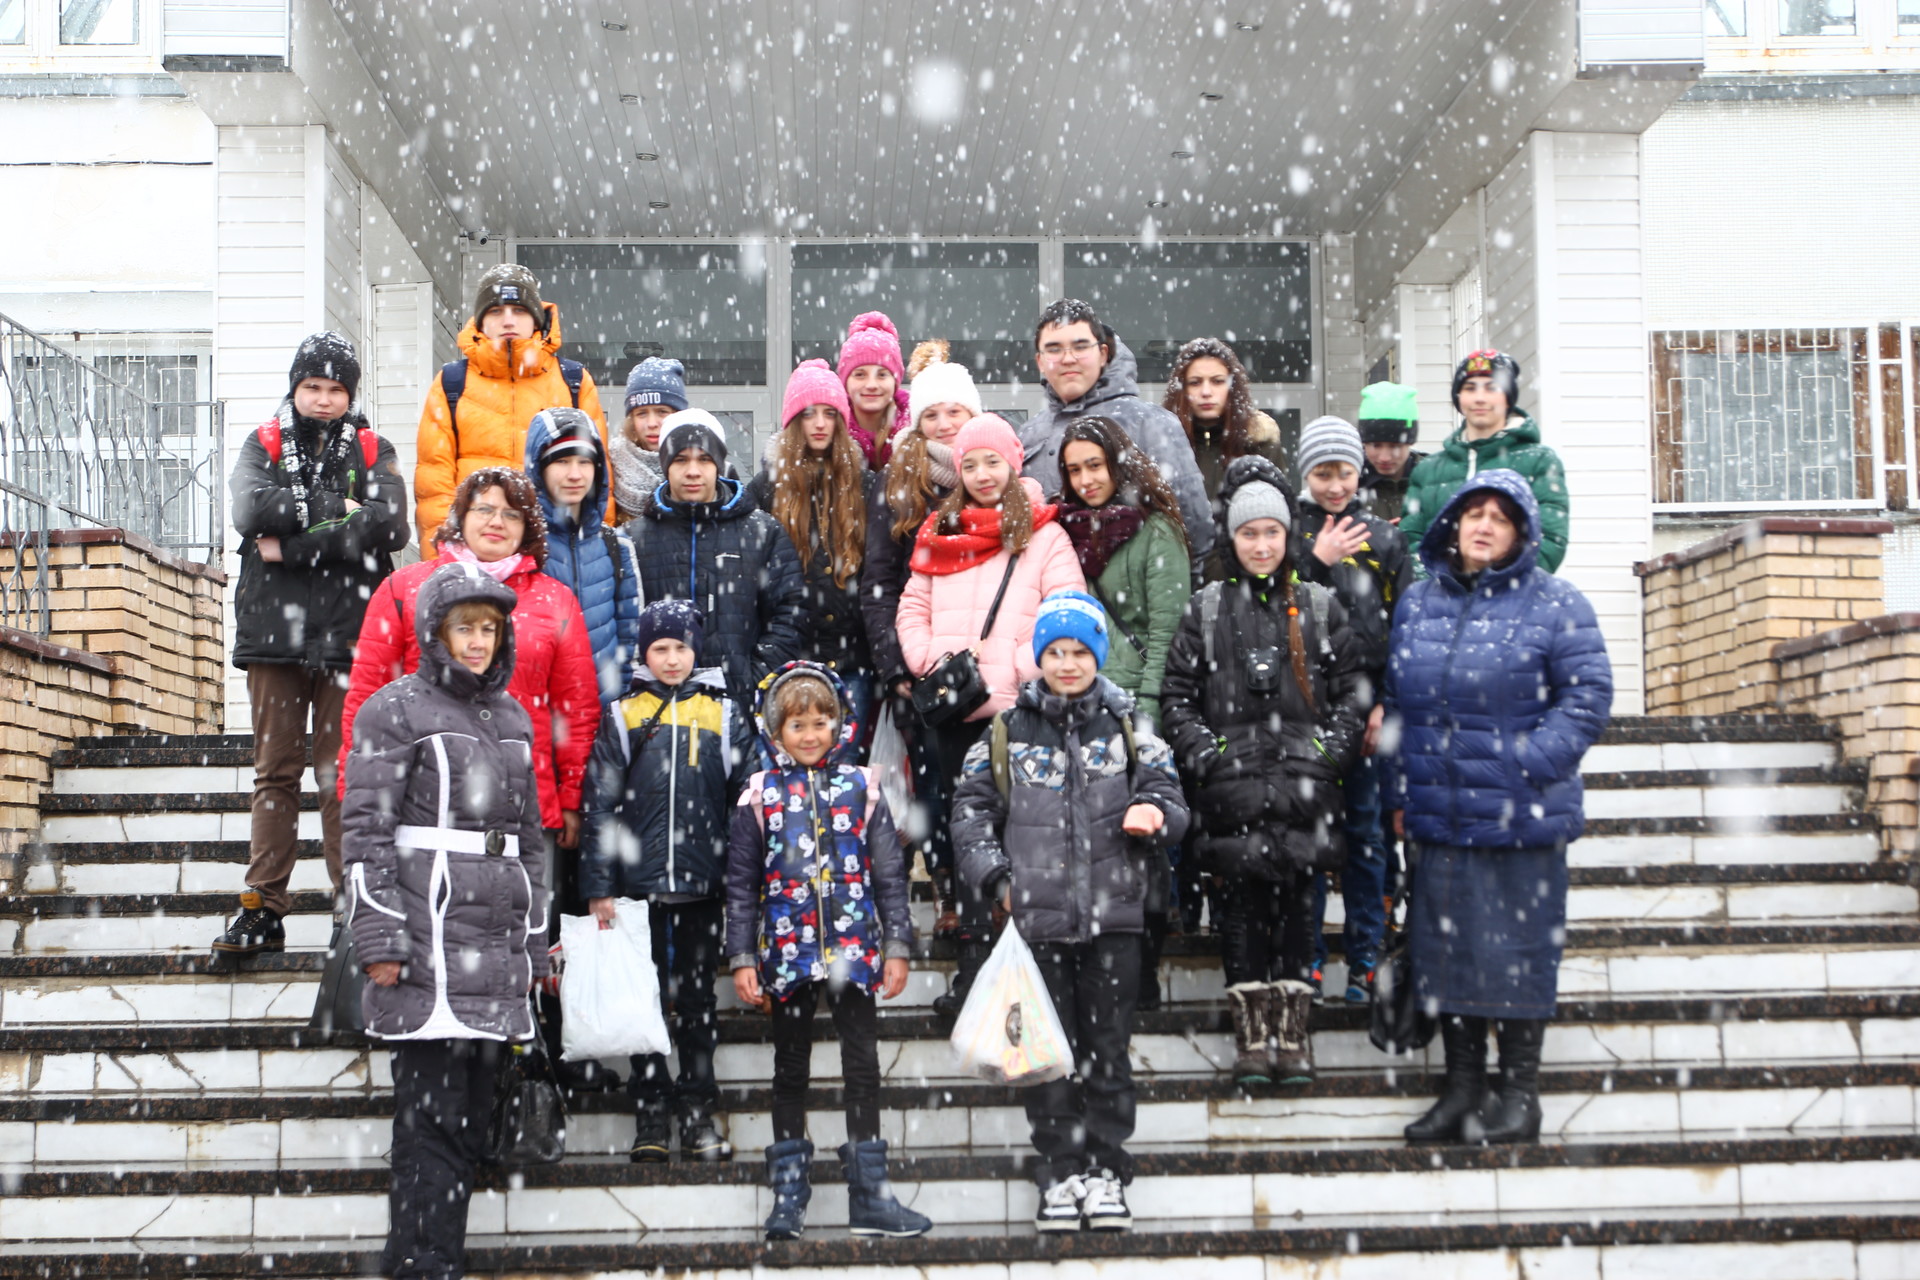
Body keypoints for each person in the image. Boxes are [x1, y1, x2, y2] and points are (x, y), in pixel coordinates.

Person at [337, 467, 602, 1085]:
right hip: (424, 814)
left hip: (517, 814)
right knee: (435, 991)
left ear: (526, 530)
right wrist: (358, 792)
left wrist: (567, 796)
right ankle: (442, 1122)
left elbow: (575, 705)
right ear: (459, 517)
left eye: (510, 515)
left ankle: (514, 1093)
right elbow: (368, 692)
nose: (495, 522)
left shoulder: (553, 600)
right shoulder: (407, 588)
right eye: (484, 509)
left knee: (511, 968)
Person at [951, 591, 1189, 1234]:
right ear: (1039, 658)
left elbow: (1170, 793)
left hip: (1115, 922)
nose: (1067, 663)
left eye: (1080, 651)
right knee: (1046, 1057)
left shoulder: (1131, 726)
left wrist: (1157, 815)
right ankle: (1059, 1171)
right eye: (1055, 652)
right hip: (1039, 925)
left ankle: (1108, 1170)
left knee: (1108, 1052)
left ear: (1098, 656)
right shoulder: (1006, 730)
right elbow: (970, 811)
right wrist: (998, 879)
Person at [1386, 469, 1612, 1146]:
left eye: (1500, 517)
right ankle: (1460, 1092)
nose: (1483, 526)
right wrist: (1402, 792)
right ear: (1452, 522)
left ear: (1522, 533)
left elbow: (1587, 697)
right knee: (1446, 956)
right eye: (1472, 513)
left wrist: (1528, 766)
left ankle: (1519, 1093)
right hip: (1441, 817)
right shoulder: (1419, 603)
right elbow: (1399, 703)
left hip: (1523, 821)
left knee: (1516, 955)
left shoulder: (1557, 603)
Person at [340, 562, 548, 1280]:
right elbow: (365, 831)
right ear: (434, 632)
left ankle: (426, 1262)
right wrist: (378, 937)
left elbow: (530, 843)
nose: (478, 641)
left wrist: (537, 948)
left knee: (472, 1124)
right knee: (429, 1126)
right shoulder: (392, 711)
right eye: (465, 626)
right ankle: (425, 1267)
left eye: (490, 628)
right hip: (423, 946)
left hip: (494, 952)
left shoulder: (516, 717)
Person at [1159, 458, 1366, 1087]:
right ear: (1233, 539)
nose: (1261, 545)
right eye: (1250, 534)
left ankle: (1295, 1035)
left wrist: (1327, 753)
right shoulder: (1208, 608)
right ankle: (1253, 1038)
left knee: (1302, 913)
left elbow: (1353, 693)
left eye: (1272, 533)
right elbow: (1177, 697)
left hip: (1306, 789)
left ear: (1288, 537)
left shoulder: (1320, 606)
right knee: (1243, 915)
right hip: (1233, 792)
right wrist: (1212, 757)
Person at [215, 333, 410, 958]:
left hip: (350, 635)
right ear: (296, 388)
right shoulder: (263, 442)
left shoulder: (376, 449)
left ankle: (349, 908)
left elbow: (390, 526)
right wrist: (339, 511)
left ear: (351, 394)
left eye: (336, 390)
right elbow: (250, 511)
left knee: (339, 775)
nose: (324, 400)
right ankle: (263, 907)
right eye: (313, 388)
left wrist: (294, 537)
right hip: (275, 636)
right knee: (275, 774)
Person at [723, 662, 930, 1241]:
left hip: (854, 951)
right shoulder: (760, 795)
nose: (811, 735)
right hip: (786, 955)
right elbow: (740, 886)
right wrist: (742, 956)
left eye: (822, 722)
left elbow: (890, 875)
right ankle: (788, 1194)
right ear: (775, 731)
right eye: (797, 725)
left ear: (840, 724)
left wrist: (897, 944)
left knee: (861, 1067)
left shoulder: (862, 789)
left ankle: (871, 1194)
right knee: (790, 1070)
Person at [897, 414, 1085, 1020]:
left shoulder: (1043, 534)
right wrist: (935, 661)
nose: (981, 475)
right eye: (970, 463)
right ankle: (975, 975)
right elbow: (912, 607)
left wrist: (1013, 668)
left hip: (1019, 714)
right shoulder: (940, 528)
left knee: (1023, 845)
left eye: (992, 462)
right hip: (954, 715)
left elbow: (1065, 612)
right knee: (969, 842)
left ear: (1014, 465)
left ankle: (1028, 978)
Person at [579, 599, 756, 1163]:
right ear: (644, 653)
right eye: (661, 648)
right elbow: (601, 805)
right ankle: (651, 1107)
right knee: (643, 1000)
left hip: (703, 885)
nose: (672, 658)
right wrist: (600, 885)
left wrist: (739, 877)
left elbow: (746, 800)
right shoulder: (623, 715)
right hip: (639, 888)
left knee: (699, 999)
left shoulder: (724, 714)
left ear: (696, 649)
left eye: (681, 646)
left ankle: (698, 1107)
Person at [1055, 415, 1194, 1009]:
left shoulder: (1155, 531)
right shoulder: (1062, 531)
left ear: (1119, 464)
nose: (1087, 480)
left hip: (1136, 704)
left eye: (1095, 465)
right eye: (1074, 469)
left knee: (1144, 842)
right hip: (1078, 703)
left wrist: (1151, 713)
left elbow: (1167, 633)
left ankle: (1144, 972)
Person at [1291, 417, 1412, 1004]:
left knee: (1366, 840)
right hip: (1306, 712)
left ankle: (1366, 956)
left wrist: (1383, 703)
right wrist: (1316, 559)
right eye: (1322, 474)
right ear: (1305, 475)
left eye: (1343, 472)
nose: (1334, 485)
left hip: (1364, 714)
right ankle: (1311, 956)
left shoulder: (1385, 540)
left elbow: (1399, 630)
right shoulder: (1289, 533)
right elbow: (1278, 608)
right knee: (1313, 841)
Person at [861, 341, 981, 938]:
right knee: (931, 783)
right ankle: (947, 891)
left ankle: (985, 889)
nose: (942, 424)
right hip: (922, 663)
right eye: (931, 414)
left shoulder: (992, 477)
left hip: (986, 665)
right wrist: (896, 667)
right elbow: (879, 582)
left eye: (954, 412)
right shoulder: (897, 485)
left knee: (981, 781)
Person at [414, 263, 606, 550]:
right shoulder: (452, 382)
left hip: (554, 553)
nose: (507, 321)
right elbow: (434, 485)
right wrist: (441, 559)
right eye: (496, 311)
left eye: (519, 310)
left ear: (535, 319)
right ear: (481, 321)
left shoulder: (574, 381)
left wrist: (594, 550)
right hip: (475, 553)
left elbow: (600, 479)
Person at [1017, 299, 1214, 572]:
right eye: (1054, 349)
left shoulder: (1151, 423)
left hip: (1133, 606)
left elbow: (1193, 526)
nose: (1068, 358)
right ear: (1040, 361)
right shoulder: (1027, 435)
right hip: (1047, 603)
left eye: (1080, 346)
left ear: (1103, 353)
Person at [624, 409, 806, 703]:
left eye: (704, 459)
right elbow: (624, 627)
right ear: (666, 466)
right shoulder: (634, 539)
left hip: (740, 708)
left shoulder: (763, 531)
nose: (692, 471)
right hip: (659, 713)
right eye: (681, 460)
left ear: (719, 465)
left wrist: (754, 680)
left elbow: (790, 613)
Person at [751, 360, 881, 745]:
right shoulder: (766, 488)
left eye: (830, 413)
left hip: (852, 660)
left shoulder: (865, 483)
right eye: (809, 414)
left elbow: (878, 573)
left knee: (844, 776)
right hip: (788, 657)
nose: (821, 423)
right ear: (795, 421)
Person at [1399, 351, 1570, 574]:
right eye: (1470, 388)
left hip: (1513, 602)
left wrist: (1500, 587)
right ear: (1459, 397)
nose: (1480, 398)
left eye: (1491, 388)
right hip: (1441, 602)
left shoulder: (1540, 461)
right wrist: (1440, 587)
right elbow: (1410, 539)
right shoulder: (1428, 470)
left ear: (1508, 397)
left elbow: (1550, 540)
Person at [524, 407, 643, 703]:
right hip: (538, 719)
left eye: (584, 462)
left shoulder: (617, 546)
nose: (575, 474)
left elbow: (631, 639)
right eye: (562, 461)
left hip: (604, 717)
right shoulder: (520, 546)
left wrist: (623, 706)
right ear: (539, 469)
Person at [1162, 337, 1286, 523]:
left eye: (1217, 381)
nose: (1206, 391)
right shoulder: (1162, 445)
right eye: (1195, 382)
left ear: (1232, 387)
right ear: (1182, 389)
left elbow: (1277, 517)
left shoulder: (1259, 443)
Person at [609, 357, 685, 524]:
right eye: (642, 413)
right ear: (632, 419)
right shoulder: (609, 464)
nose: (652, 423)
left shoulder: (702, 461)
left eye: (662, 412)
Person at [837, 311, 910, 468]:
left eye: (882, 375)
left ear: (895, 381)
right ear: (845, 382)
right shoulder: (829, 431)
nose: (871, 385)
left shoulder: (918, 430)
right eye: (860, 375)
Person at [1355, 380, 1425, 523]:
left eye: (1395, 446)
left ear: (1409, 442)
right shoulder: (1349, 484)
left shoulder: (1434, 481)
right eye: (1376, 445)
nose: (1384, 457)